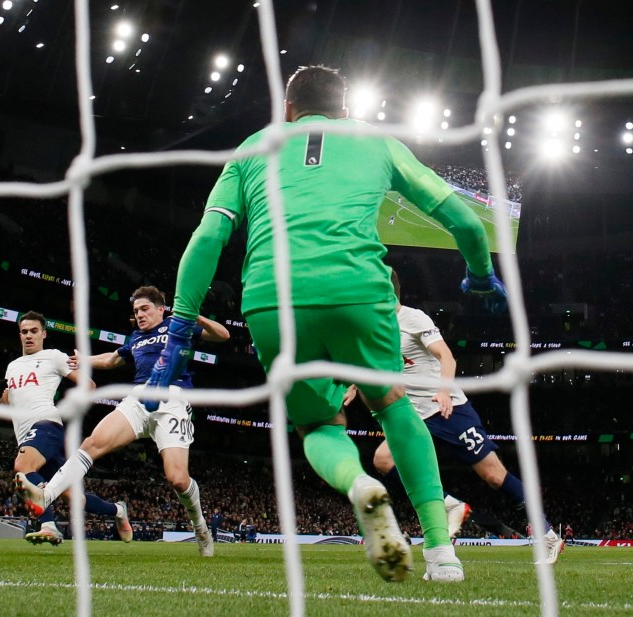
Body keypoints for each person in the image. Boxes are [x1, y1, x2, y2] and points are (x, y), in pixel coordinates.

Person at [148, 65, 508, 581]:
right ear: (345, 111)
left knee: (317, 425)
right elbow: (468, 223)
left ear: (288, 110)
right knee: (394, 407)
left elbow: (208, 239)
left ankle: (360, 486)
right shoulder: (377, 142)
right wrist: (478, 276)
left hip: (273, 299)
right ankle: (441, 553)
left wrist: (181, 325)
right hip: (359, 290)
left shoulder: (253, 145)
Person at [349, 269, 564, 564]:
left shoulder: (414, 319)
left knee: (493, 475)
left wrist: (445, 392)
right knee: (382, 460)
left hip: (448, 409)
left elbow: (447, 357)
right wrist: (351, 385)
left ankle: (548, 536)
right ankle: (450, 505)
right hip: (412, 414)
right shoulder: (375, 326)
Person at [15, 286, 230, 557]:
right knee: (92, 443)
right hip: (138, 399)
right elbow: (113, 359)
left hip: (172, 400)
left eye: (144, 309)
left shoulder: (178, 325)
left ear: (161, 309)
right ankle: (46, 496)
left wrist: (195, 316)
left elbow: (223, 335)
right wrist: (84, 360)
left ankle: (200, 528)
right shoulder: (136, 337)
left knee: (177, 479)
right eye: (136, 311)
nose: (139, 315)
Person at [1, 310, 132, 546]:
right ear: (19, 335)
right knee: (74, 498)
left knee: (22, 466)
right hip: (26, 435)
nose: (29, 336)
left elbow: (88, 384)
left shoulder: (53, 357)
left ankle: (48, 526)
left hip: (46, 425)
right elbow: (8, 402)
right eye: (24, 332)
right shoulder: (12, 367)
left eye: (34, 331)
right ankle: (118, 510)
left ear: (44, 334)